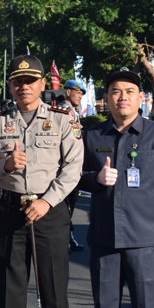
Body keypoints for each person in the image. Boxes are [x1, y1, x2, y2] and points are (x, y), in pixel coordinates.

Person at [0, 55, 84, 308]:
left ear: (42, 84)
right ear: (11, 85)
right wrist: (6, 165)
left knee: (54, 295)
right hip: (9, 210)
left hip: (49, 213)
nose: (24, 86)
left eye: (30, 81)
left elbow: (73, 168)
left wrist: (47, 202)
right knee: (8, 295)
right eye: (18, 81)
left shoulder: (61, 120)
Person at [78, 67, 154, 308]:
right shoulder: (92, 136)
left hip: (144, 241)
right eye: (116, 92)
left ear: (141, 97)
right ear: (107, 98)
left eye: (130, 91)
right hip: (103, 240)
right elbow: (75, 177)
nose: (123, 97)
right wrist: (95, 179)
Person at [61, 79, 87, 252]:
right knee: (65, 205)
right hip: (64, 166)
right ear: (68, 92)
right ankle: (64, 239)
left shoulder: (74, 113)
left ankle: (68, 238)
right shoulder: (63, 111)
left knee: (71, 203)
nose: (80, 97)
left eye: (82, 94)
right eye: (77, 93)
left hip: (74, 165)